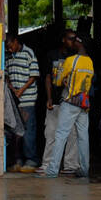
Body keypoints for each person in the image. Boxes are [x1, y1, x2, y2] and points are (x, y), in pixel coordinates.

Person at [44, 32, 95, 179]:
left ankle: (52, 171)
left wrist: (63, 80)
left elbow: (57, 81)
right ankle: (84, 170)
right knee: (83, 137)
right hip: (84, 104)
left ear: (79, 43)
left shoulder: (71, 60)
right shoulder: (90, 62)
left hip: (70, 101)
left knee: (61, 136)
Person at [41, 30, 81, 175]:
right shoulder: (52, 55)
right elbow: (47, 77)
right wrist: (49, 98)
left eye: (76, 39)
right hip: (56, 100)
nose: (74, 42)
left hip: (70, 101)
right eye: (71, 39)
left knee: (72, 134)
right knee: (51, 133)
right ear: (63, 39)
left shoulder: (76, 58)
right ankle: (48, 164)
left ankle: (70, 165)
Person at [5, 32, 40, 172]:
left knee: (28, 131)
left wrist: (21, 90)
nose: (9, 49)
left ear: (15, 41)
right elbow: (6, 75)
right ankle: (18, 160)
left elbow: (34, 75)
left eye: (10, 46)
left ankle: (31, 160)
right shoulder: (9, 56)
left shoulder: (28, 53)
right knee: (16, 132)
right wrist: (12, 88)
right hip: (15, 100)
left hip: (27, 99)